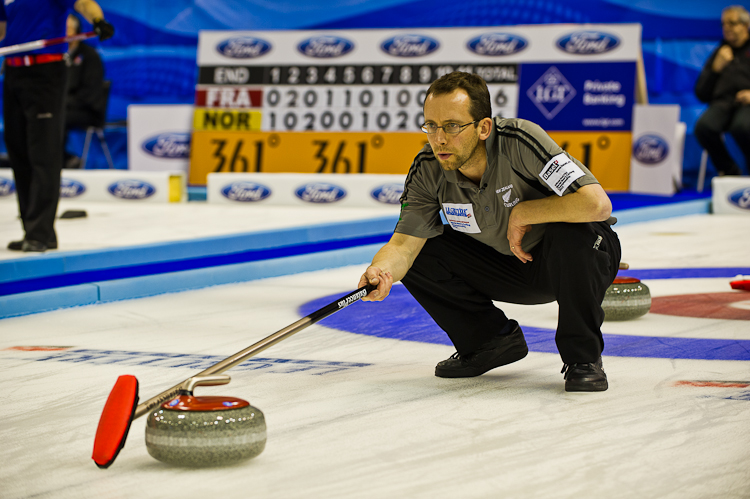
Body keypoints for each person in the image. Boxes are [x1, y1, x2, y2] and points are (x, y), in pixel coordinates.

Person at [358, 71, 621, 392]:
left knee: (573, 231)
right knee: (423, 250)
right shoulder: (428, 168)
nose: (439, 138)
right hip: (511, 265)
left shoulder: (521, 140)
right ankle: (489, 341)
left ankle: (583, 358)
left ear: (483, 127)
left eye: (452, 126)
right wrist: (381, 270)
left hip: (576, 256)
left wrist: (526, 211)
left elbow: (597, 204)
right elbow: (402, 245)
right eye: (431, 126)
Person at [0, 0, 114, 252]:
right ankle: (33, 229)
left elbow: (83, 2)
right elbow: (2, 29)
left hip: (46, 72)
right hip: (13, 71)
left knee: (43, 152)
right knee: (18, 151)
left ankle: (40, 232)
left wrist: (98, 20)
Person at [694, 5, 750, 177]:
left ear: (745, 25)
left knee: (742, 127)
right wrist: (715, 70)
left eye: (732, 23)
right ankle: (729, 170)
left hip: (747, 104)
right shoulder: (720, 51)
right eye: (723, 24)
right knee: (703, 128)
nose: (726, 28)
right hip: (724, 104)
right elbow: (701, 93)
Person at [63, 13, 106, 169]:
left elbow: (90, 94)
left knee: (55, 118)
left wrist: (63, 103)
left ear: (78, 32)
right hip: (64, 106)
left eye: (69, 29)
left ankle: (62, 161)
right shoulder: (58, 56)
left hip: (87, 110)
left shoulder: (89, 56)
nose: (65, 33)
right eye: (63, 29)